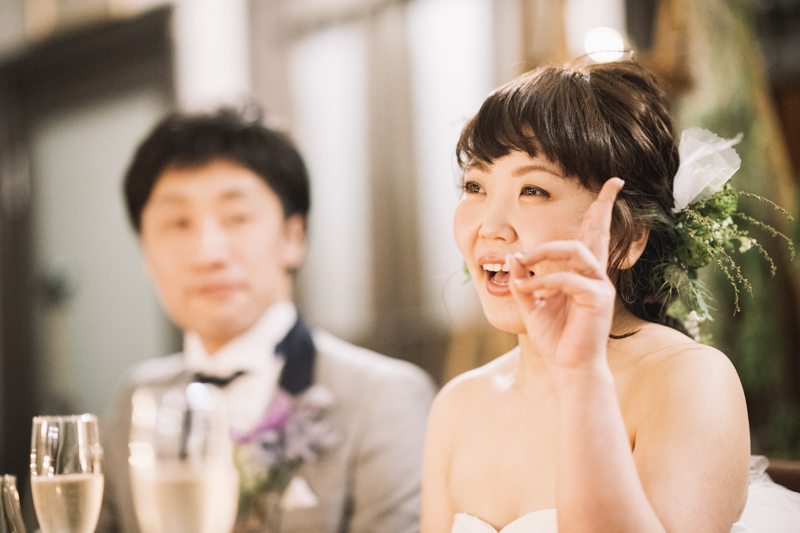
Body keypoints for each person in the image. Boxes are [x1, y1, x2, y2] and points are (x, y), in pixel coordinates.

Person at [421, 59, 800, 533]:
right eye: (475, 186)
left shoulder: (689, 381)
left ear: (628, 238)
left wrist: (582, 377)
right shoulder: (457, 405)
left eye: (533, 189)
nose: (490, 227)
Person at [97, 108, 436, 533]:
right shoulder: (137, 400)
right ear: (145, 251)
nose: (208, 252)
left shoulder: (384, 398)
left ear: (294, 236)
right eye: (178, 223)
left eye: (237, 218)